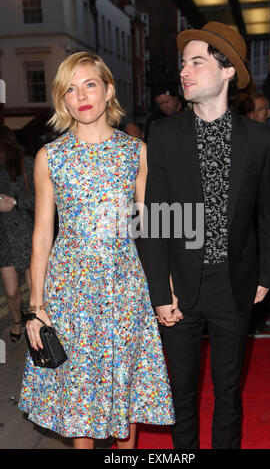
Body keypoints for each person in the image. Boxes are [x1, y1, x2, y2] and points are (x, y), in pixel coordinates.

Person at [18, 51, 174, 450]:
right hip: (69, 290)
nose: (81, 95)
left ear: (108, 90)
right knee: (78, 395)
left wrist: (167, 286)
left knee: (125, 388)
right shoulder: (49, 157)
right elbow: (41, 236)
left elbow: (155, 229)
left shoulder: (134, 151)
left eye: (89, 84)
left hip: (125, 287)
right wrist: (35, 306)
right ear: (61, 100)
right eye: (69, 89)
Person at [143, 22, 270, 449]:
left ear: (227, 72)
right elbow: (153, 219)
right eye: (183, 62)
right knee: (181, 398)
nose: (184, 71)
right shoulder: (164, 133)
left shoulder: (259, 138)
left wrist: (266, 275)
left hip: (235, 286)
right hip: (180, 289)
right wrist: (159, 292)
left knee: (229, 395)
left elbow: (269, 214)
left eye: (197, 61)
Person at [0, 126, 34, 342]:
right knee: (11, 291)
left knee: (35, 288)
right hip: (3, 235)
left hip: (25, 230)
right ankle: (16, 321)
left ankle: (36, 322)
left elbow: (41, 200)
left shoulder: (26, 164)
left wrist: (14, 202)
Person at [144, 77, 186, 141]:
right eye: (159, 104)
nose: (164, 107)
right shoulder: (154, 120)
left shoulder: (192, 110)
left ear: (175, 97)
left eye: (166, 102)